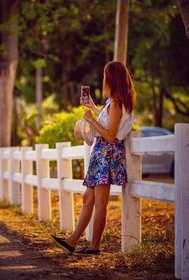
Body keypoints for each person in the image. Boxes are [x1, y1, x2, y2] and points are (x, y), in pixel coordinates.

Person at [51, 60, 136, 255]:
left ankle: (94, 246)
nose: (104, 79)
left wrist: (90, 120)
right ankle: (72, 241)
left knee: (100, 202)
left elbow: (110, 135)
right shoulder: (114, 102)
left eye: (106, 75)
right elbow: (109, 121)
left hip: (106, 153)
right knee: (88, 199)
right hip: (101, 153)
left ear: (112, 78)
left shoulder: (116, 103)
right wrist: (94, 108)